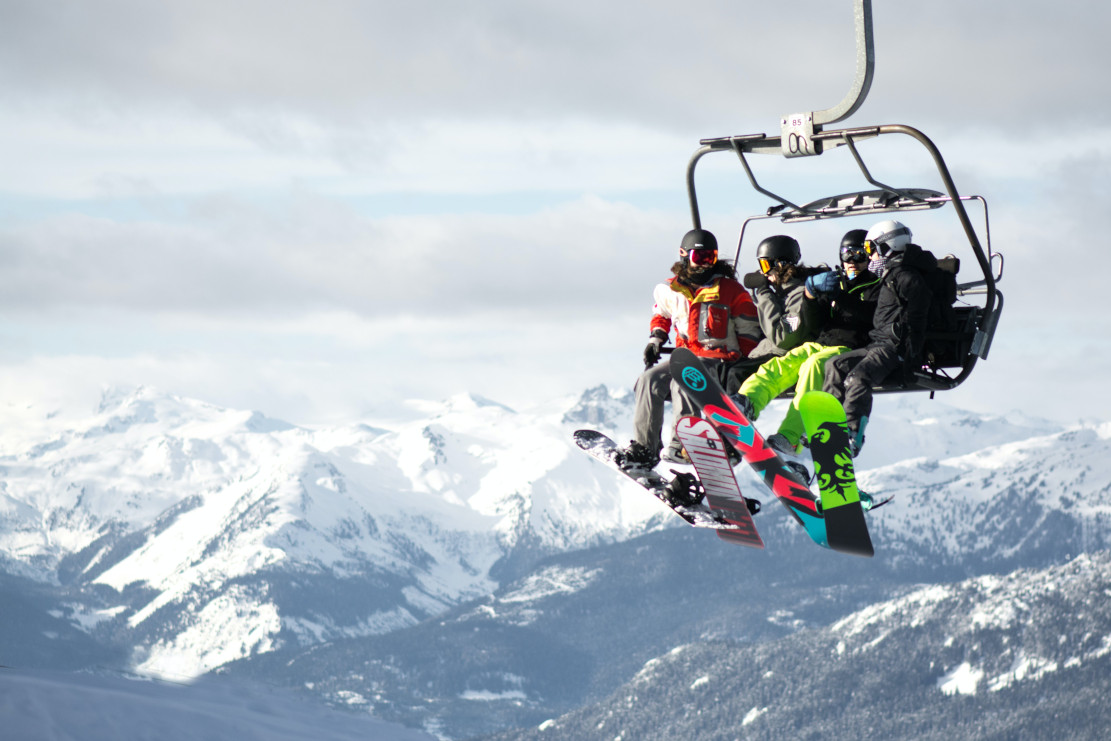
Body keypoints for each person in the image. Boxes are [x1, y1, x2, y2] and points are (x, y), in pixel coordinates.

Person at [616, 228, 762, 469]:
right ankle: (646, 447)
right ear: (684, 256)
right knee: (648, 379)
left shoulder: (730, 291)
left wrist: (743, 363)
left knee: (685, 376)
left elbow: (749, 328)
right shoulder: (669, 289)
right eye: (699, 258)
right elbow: (661, 314)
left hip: (719, 360)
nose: (704, 265)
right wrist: (656, 339)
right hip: (686, 356)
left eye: (710, 259)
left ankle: (686, 442)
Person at [730, 229, 882, 455]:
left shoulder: (876, 286)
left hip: (851, 347)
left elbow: (872, 317)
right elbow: (814, 320)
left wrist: (839, 297)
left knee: (813, 366)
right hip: (822, 342)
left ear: (870, 256)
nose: (852, 261)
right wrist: (811, 297)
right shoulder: (836, 281)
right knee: (780, 365)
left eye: (859, 255)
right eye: (846, 255)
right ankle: (747, 401)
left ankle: (790, 438)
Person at [822, 219, 936, 456]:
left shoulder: (907, 277)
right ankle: (830, 426)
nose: (869, 256)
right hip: (878, 343)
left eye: (869, 249)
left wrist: (911, 354)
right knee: (834, 364)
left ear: (886, 246)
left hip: (894, 348)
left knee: (857, 377)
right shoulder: (892, 273)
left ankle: (852, 432)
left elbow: (918, 318)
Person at [722, 235, 822, 395]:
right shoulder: (781, 292)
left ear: (781, 264)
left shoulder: (800, 295)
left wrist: (763, 292)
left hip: (788, 358)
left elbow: (781, 337)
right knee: (724, 371)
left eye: (765, 264)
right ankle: (717, 416)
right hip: (770, 354)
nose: (762, 272)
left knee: (737, 374)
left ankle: (734, 417)